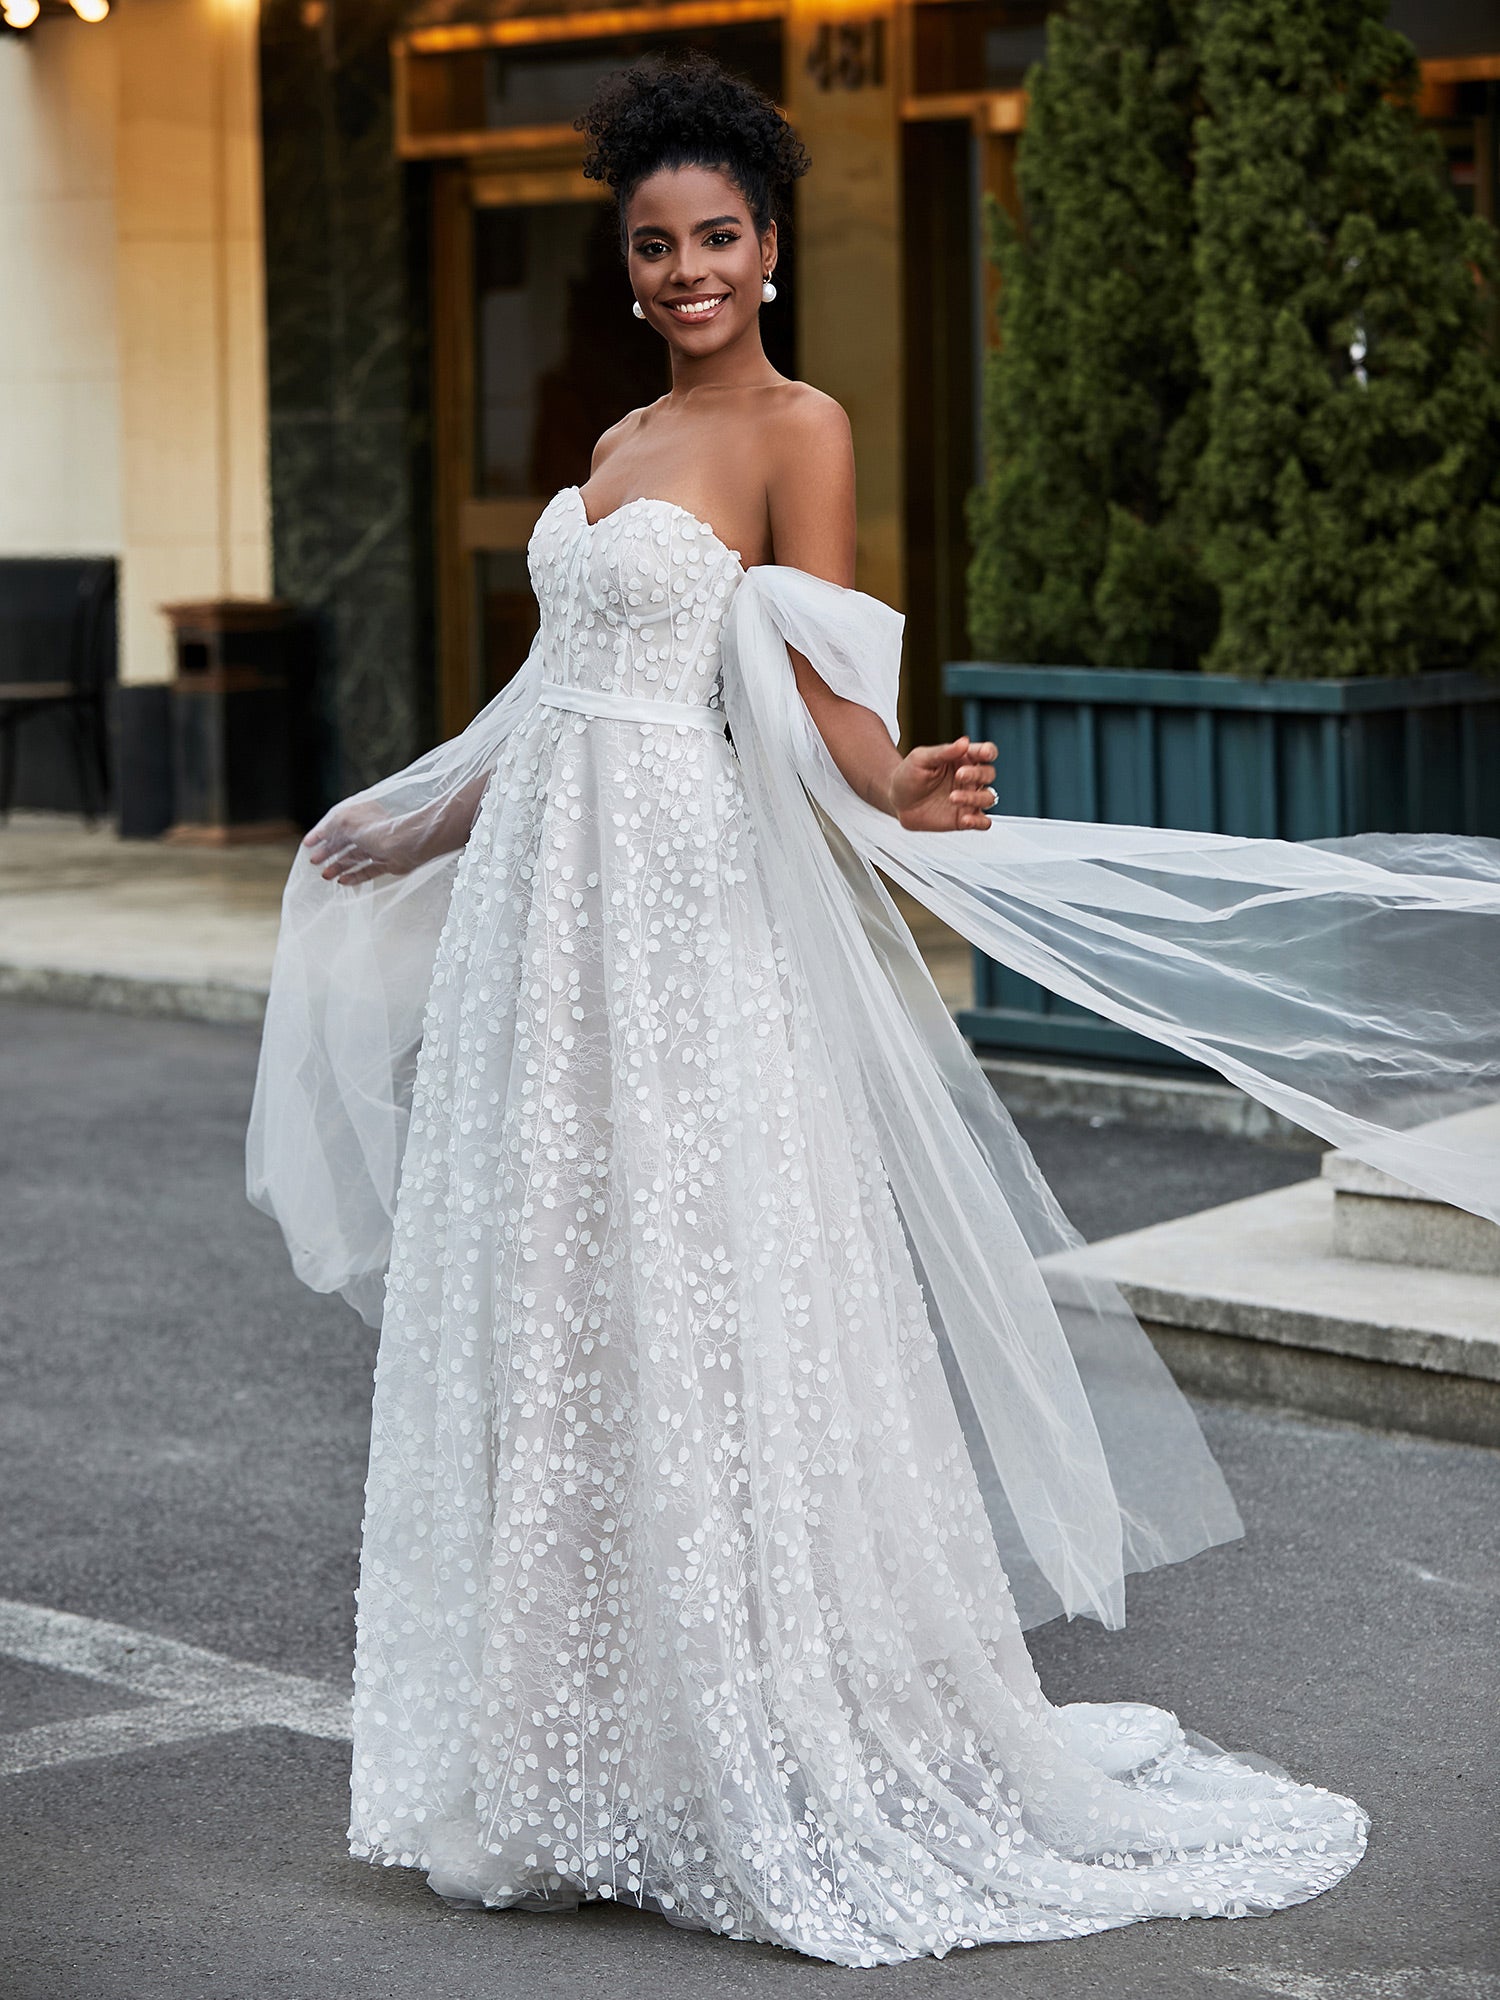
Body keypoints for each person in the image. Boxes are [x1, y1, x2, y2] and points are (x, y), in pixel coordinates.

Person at [247, 52, 1500, 1969]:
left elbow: (816, 680)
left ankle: (753, 1727)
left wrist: (896, 783)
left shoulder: (799, 429)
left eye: (720, 238)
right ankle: (577, 1736)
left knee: (700, 1271)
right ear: (628, 255)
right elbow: (550, 693)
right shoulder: (601, 454)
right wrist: (428, 824)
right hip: (542, 911)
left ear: (768, 247)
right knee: (562, 1283)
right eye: (656, 244)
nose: (687, 273)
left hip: (672, 895)